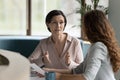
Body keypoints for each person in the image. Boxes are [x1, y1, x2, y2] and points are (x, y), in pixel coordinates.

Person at [43, 10, 120, 80]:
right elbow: (76, 71)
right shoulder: (95, 46)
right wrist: (50, 71)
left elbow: (87, 77)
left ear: (90, 28)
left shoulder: (98, 47)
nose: (83, 29)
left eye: (84, 25)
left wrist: (58, 77)